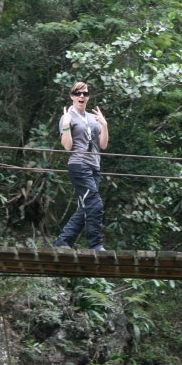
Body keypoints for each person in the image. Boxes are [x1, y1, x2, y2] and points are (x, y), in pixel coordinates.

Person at [53, 81, 109, 251]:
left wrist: (104, 125)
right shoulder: (67, 117)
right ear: (72, 96)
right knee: (95, 204)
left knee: (85, 207)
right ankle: (95, 244)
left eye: (85, 93)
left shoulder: (94, 118)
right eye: (78, 93)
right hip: (78, 165)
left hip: (94, 166)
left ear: (88, 97)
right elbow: (68, 147)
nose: (82, 96)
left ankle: (62, 242)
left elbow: (103, 145)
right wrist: (66, 125)